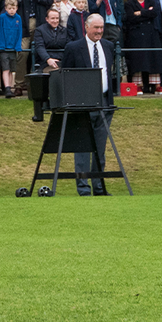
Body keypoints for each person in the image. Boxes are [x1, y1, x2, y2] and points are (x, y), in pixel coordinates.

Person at [60, 14, 118, 196]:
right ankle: (83, 189)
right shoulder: (74, 48)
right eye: (96, 28)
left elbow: (110, 73)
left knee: (100, 150)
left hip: (104, 105)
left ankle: (99, 188)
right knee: (83, 150)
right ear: (86, 27)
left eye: (101, 28)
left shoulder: (108, 47)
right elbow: (65, 76)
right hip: (82, 106)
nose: (99, 32)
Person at [123, 0, 162, 93]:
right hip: (136, 35)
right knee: (138, 60)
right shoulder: (129, 4)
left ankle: (156, 85)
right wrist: (146, 13)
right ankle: (138, 85)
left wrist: (140, 13)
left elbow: (154, 13)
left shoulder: (152, 1)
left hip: (151, 34)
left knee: (154, 59)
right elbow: (131, 17)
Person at [0, 0, 24, 98]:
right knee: (5, 69)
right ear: (6, 8)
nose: (12, 10)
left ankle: (10, 88)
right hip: (4, 48)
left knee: (12, 69)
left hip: (13, 48)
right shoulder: (2, 17)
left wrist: (17, 46)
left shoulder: (18, 18)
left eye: (13, 8)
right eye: (9, 8)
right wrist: (1, 45)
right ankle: (7, 87)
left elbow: (19, 33)